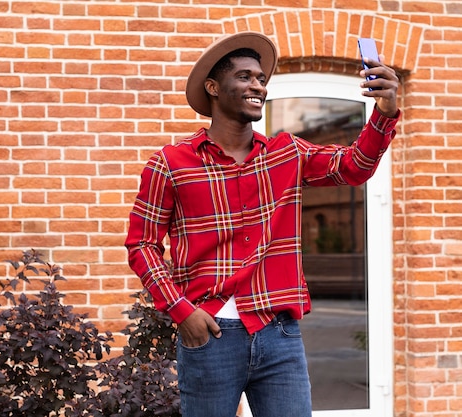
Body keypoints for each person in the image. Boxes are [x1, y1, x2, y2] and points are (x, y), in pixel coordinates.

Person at [124, 32, 399, 417]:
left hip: (279, 332)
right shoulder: (170, 164)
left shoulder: (287, 153)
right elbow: (142, 245)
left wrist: (384, 113)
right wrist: (181, 311)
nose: (258, 85)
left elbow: (354, 167)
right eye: (245, 77)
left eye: (261, 79)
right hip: (211, 334)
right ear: (214, 87)